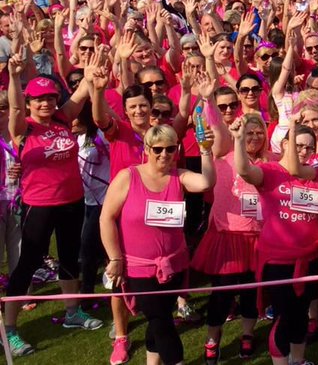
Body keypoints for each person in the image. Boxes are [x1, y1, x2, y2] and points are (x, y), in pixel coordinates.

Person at [4, 57, 102, 357]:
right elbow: (17, 108)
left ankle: (72, 313)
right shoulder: (23, 127)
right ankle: (8, 329)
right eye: (39, 99)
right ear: (30, 102)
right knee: (28, 264)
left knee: (70, 257)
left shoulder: (61, 118)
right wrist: (13, 75)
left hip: (71, 201)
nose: (45, 103)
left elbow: (83, 92)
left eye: (50, 97)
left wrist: (89, 74)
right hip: (40, 205)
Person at [100, 124, 215, 365]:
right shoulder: (127, 177)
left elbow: (205, 183)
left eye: (170, 149)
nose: (164, 154)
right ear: (147, 149)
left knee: (158, 319)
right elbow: (106, 218)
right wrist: (115, 258)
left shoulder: (179, 176)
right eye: (158, 149)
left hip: (174, 265)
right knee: (161, 321)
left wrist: (205, 150)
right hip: (139, 268)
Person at [234, 113, 318, 365]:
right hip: (279, 261)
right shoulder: (269, 171)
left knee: (301, 315)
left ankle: (298, 359)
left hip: (310, 259)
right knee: (284, 317)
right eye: (298, 145)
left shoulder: (313, 175)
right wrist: (239, 140)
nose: (304, 151)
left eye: (309, 147)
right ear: (285, 144)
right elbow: (243, 171)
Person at [193, 106, 265, 363]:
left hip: (257, 238)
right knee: (221, 293)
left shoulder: (270, 163)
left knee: (250, 291)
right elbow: (216, 128)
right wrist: (208, 98)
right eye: (249, 133)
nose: (254, 137)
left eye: (259, 133)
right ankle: (213, 337)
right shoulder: (224, 157)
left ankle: (247, 334)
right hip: (228, 234)